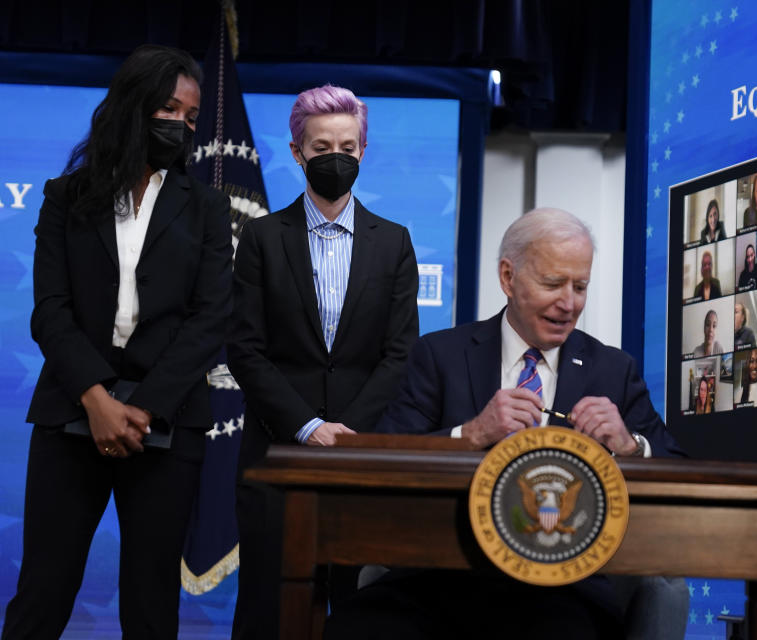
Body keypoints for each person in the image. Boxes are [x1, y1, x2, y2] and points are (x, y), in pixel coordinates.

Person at [337, 208, 686, 640]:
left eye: (580, 287)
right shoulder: (440, 356)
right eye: (553, 284)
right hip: (441, 574)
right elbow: (382, 458)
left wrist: (630, 445)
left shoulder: (614, 370)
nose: (569, 303)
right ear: (508, 277)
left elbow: (679, 467)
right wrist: (471, 435)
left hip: (563, 589)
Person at [0, 46, 232, 639]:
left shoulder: (206, 207)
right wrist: (97, 400)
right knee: (43, 591)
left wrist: (143, 408)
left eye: (190, 114)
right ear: (132, 108)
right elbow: (49, 311)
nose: (179, 124)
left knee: (152, 603)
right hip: (72, 411)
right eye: (167, 108)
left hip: (168, 418)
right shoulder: (65, 195)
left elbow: (210, 319)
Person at [227, 84, 420, 640]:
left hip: (362, 463)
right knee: (267, 610)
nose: (334, 157)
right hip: (276, 453)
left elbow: (400, 352)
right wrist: (309, 428)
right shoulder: (262, 238)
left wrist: (348, 433)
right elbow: (245, 348)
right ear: (296, 153)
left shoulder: (395, 243)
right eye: (320, 147)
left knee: (360, 614)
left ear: (362, 150)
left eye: (346, 145)